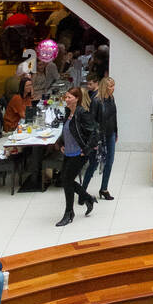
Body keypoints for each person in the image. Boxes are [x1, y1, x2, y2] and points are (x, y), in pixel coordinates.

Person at [54, 87, 98, 227]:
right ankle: (87, 198)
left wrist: (86, 149)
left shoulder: (82, 113)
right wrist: (61, 143)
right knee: (65, 179)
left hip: (79, 153)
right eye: (65, 97)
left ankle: (69, 213)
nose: (66, 100)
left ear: (77, 98)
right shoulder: (68, 112)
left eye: (69, 97)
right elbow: (66, 131)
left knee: (67, 181)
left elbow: (94, 133)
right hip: (68, 151)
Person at [81, 74, 118, 201]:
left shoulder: (111, 98)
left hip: (110, 134)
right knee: (93, 164)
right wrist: (94, 140)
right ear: (104, 87)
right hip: (99, 137)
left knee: (109, 162)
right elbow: (91, 122)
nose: (113, 88)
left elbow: (114, 116)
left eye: (113, 86)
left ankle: (104, 188)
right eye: (110, 86)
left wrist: (116, 132)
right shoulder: (96, 101)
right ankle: (82, 190)